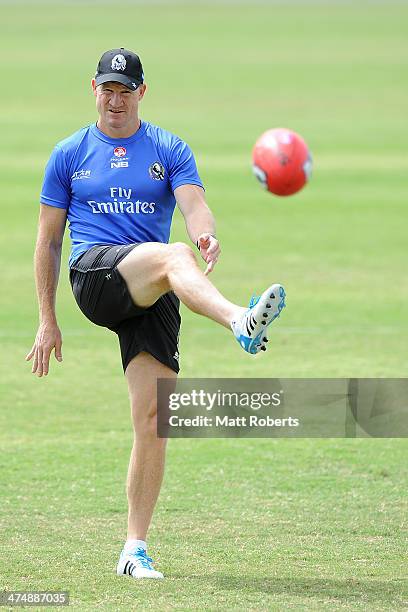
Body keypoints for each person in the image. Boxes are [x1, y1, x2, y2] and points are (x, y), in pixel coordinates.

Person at [26, 48, 286, 579]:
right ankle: (239, 319)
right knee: (175, 256)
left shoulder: (169, 148)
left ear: (142, 92)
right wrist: (47, 320)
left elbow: (193, 205)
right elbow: (48, 243)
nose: (114, 99)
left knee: (153, 422)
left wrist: (205, 232)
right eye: (107, 88)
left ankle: (133, 549)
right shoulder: (69, 153)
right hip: (95, 274)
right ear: (92, 89)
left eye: (125, 90)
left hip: (155, 286)